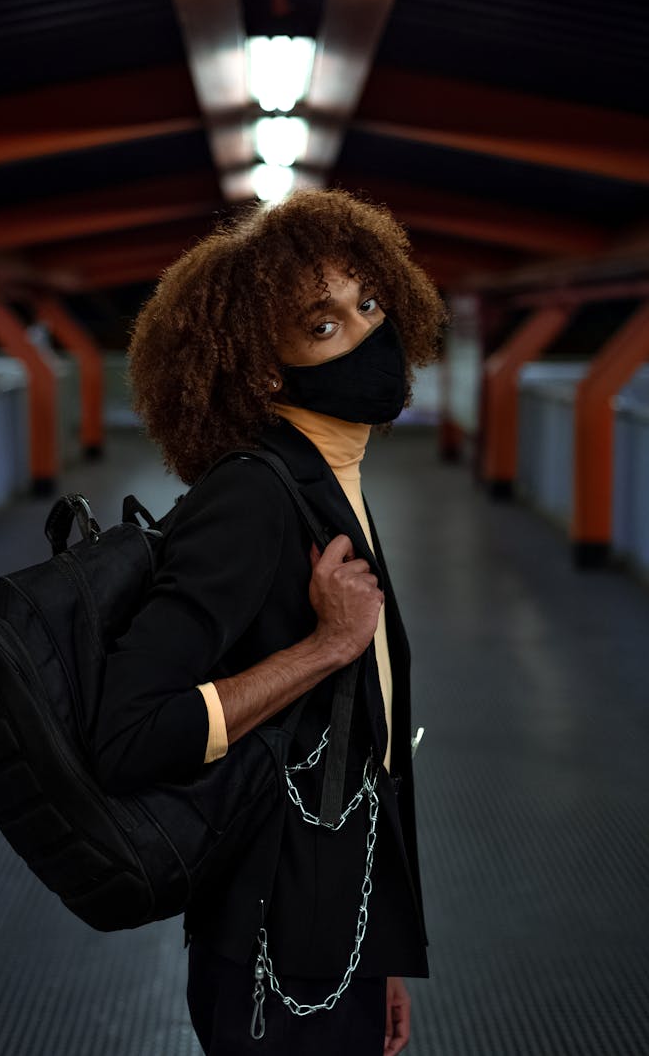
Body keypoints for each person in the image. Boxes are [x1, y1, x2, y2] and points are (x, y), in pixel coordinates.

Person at [93, 189, 449, 1054]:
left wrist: (387, 953)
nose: (365, 334)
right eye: (322, 325)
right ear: (263, 369)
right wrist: (326, 647)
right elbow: (128, 733)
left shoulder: (333, 479)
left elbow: (372, 753)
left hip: (338, 934)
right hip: (272, 962)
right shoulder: (252, 497)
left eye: (368, 305)